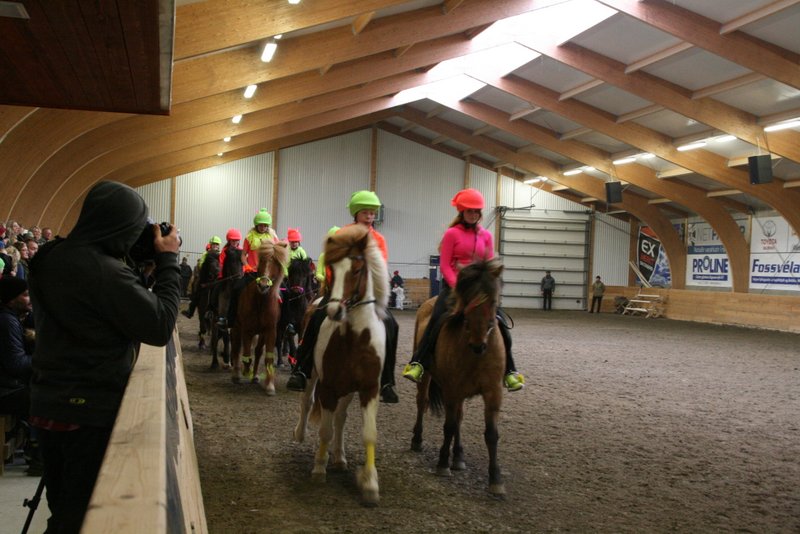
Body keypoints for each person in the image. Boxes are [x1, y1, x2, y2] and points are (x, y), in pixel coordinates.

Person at [28, 181, 181, 533]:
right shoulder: (104, 272)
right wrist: (169, 261)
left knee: (62, 506)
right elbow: (159, 325)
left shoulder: (49, 255)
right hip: (90, 407)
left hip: (47, 399)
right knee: (80, 516)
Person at [402, 188, 524, 392]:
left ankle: (510, 370)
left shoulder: (486, 236)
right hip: (454, 288)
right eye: (469, 211)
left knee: (501, 324)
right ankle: (418, 362)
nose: (473, 214)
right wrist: (458, 286)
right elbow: (445, 265)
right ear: (462, 212)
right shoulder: (452, 234)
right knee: (435, 319)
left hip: (479, 291)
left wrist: (488, 286)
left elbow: (489, 265)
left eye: (476, 211)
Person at [287, 191, 399, 403]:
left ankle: (387, 381)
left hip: (367, 294)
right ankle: (301, 369)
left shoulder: (379, 239)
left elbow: (381, 266)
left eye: (372, 213)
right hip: (340, 290)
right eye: (365, 212)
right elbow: (331, 263)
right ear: (356, 213)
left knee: (392, 325)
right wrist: (338, 286)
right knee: (316, 318)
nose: (370, 216)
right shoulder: (342, 234)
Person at [182, 236, 222, 318]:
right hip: (206, 279)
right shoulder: (205, 254)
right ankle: (191, 310)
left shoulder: (221, 254)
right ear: (211, 245)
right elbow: (200, 264)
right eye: (214, 244)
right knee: (197, 291)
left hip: (217, 279)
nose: (215, 246)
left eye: (217, 244)